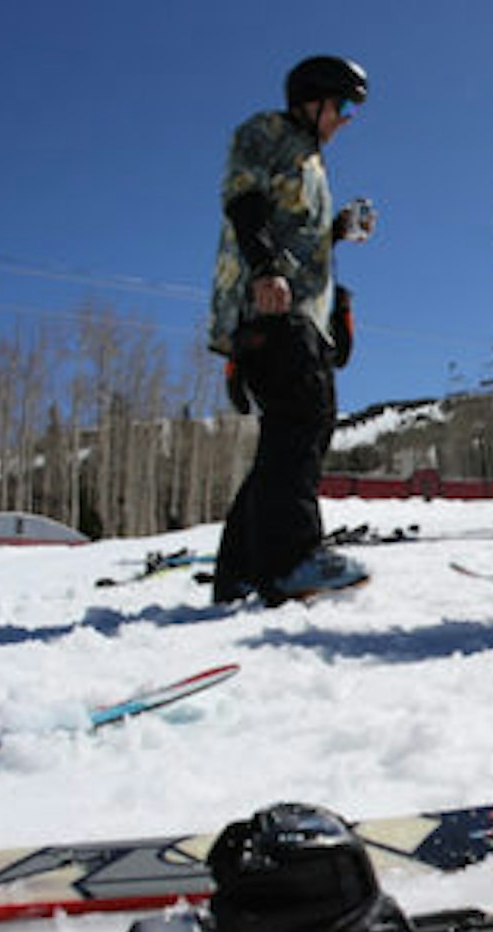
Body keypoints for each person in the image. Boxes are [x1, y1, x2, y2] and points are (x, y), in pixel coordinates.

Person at [208, 55, 375, 605]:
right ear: (312, 99)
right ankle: (293, 560)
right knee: (303, 422)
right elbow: (245, 200)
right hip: (272, 307)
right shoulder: (267, 132)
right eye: (343, 105)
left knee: (291, 432)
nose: (347, 118)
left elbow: (297, 232)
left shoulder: (311, 161)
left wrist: (337, 231)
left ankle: (240, 573)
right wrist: (265, 267)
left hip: (302, 311)